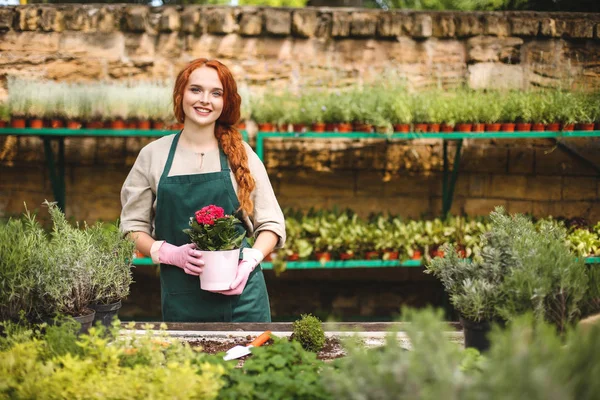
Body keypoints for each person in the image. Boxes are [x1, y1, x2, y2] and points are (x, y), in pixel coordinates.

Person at [120, 58, 286, 322]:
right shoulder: (153, 155)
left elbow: (272, 224)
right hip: (181, 299)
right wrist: (169, 253)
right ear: (180, 94)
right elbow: (131, 227)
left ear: (225, 102)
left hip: (243, 302)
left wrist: (250, 261)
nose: (205, 100)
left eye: (216, 93)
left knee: (252, 364)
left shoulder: (241, 155)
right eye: (196, 89)